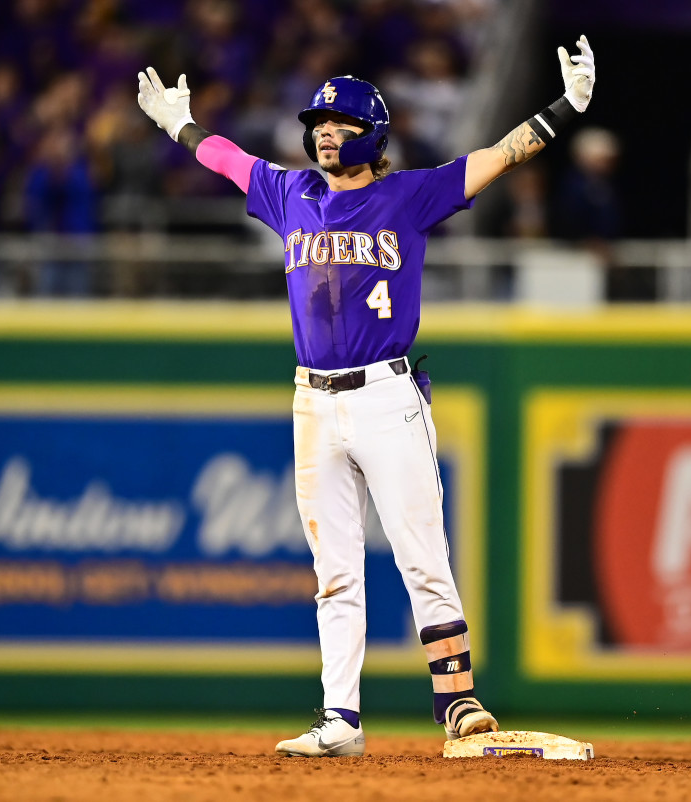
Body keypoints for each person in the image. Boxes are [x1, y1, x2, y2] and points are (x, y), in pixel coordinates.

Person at [137, 38, 597, 756]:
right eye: (318, 123)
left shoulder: (406, 195)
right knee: (334, 573)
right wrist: (178, 125)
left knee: (422, 555)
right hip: (312, 404)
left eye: (339, 123)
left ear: (371, 134)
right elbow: (227, 160)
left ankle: (459, 703)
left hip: (387, 396)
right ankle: (340, 720)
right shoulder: (291, 193)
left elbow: (499, 157)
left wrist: (565, 108)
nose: (324, 132)